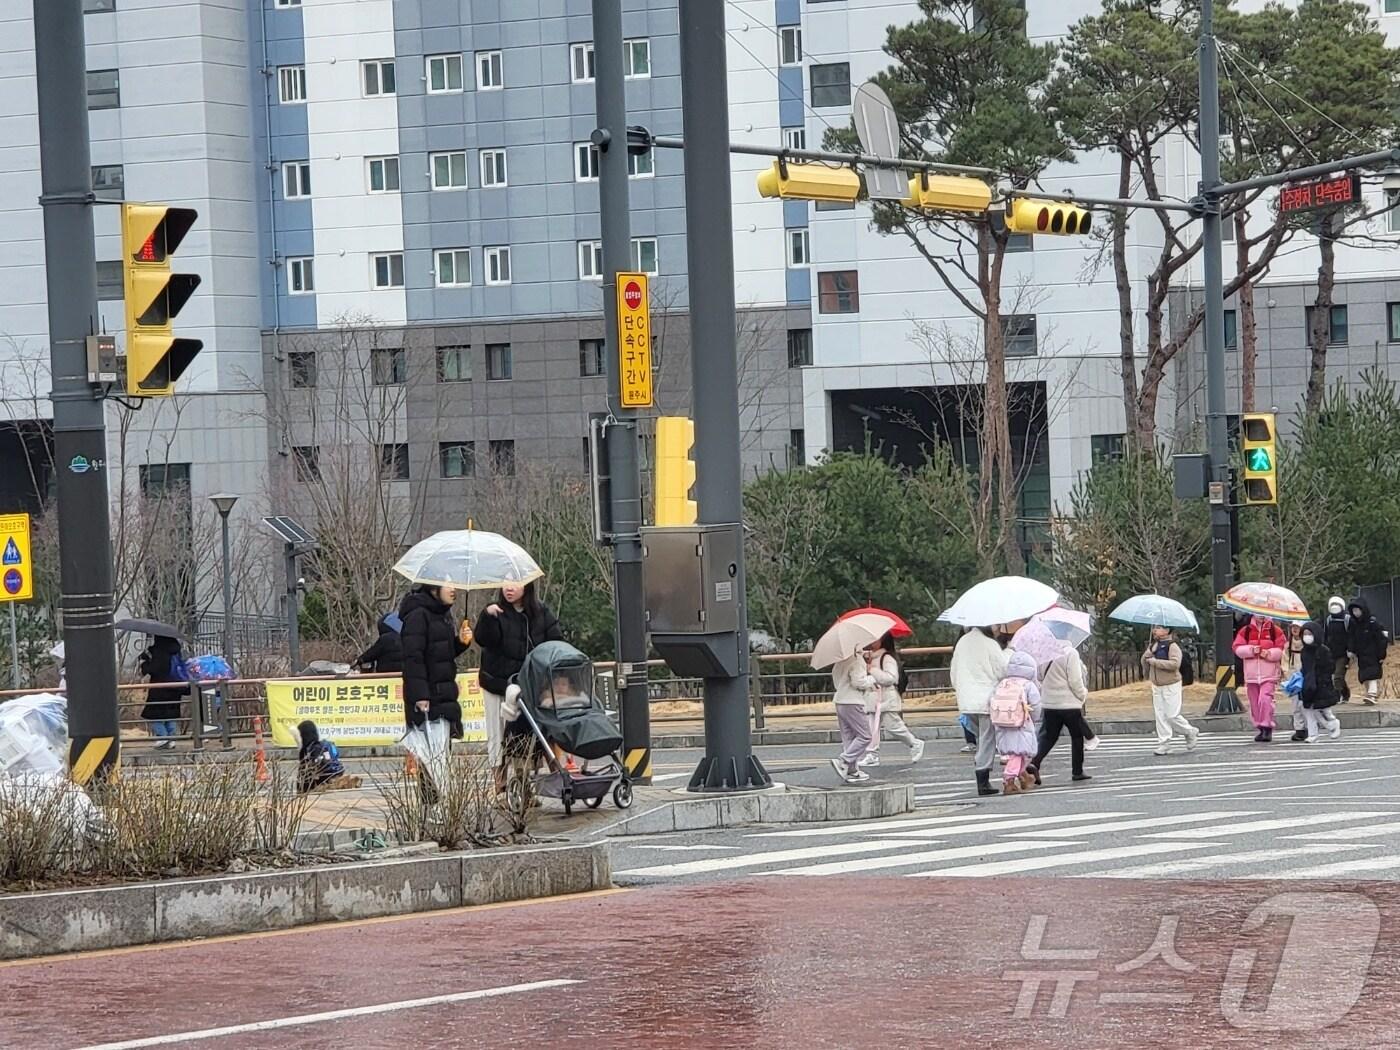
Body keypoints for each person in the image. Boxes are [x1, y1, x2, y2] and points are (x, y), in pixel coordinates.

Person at [474, 581, 564, 770]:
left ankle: (523, 786)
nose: (509, 588)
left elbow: (556, 643)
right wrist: (486, 617)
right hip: (497, 685)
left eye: (515, 583)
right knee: (498, 735)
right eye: (505, 582)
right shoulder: (495, 612)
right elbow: (483, 639)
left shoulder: (541, 613)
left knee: (526, 735)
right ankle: (500, 784)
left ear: (527, 586)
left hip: (528, 687)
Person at [399, 584, 468, 738]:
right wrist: (420, 695)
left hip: (444, 697)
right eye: (448, 585)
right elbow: (413, 658)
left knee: (441, 756)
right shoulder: (418, 616)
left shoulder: (442, 615)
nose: (453, 589)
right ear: (433, 588)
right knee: (429, 756)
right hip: (428, 699)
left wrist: (460, 643)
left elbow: (440, 655)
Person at [951, 625, 1011, 796]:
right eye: (997, 625)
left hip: (965, 700)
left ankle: (982, 773)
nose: (998, 628)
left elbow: (953, 673)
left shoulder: (962, 642)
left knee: (980, 737)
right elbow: (1002, 670)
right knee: (987, 739)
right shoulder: (989, 644)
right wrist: (1008, 652)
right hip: (985, 699)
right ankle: (982, 778)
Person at [1028, 644, 1095, 784]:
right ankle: (1077, 771)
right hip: (1069, 703)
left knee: (1048, 737)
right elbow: (1075, 680)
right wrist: (1082, 695)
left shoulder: (1044, 650)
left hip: (1050, 702)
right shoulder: (1071, 653)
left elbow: (1039, 675)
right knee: (1077, 736)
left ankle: (1035, 762)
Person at [859, 631, 925, 767]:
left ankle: (914, 743)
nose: (872, 641)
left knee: (894, 727)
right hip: (873, 698)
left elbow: (891, 678)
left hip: (886, 698)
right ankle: (872, 754)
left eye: (876, 638)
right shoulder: (870, 658)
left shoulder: (887, 658)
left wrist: (872, 670)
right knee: (872, 727)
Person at [989, 651, 1042, 794]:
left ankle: (1024, 776)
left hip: (1002, 723)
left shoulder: (1003, 683)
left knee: (1015, 753)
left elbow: (992, 700)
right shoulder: (1028, 685)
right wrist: (1034, 717)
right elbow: (1036, 705)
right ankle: (1009, 780)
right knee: (1020, 753)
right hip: (1021, 723)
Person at [1144, 625, 1199, 756]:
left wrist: (1155, 662)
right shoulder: (1154, 645)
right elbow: (1145, 662)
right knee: (1160, 715)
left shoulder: (1172, 646)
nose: (1154, 630)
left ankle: (1189, 731)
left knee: (1171, 714)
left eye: (1158, 628)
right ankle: (1164, 742)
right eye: (1155, 628)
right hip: (1157, 684)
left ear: (1167, 630)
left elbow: (1174, 664)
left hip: (1171, 683)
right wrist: (1146, 657)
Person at [829, 646, 878, 784]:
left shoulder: (841, 660)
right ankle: (844, 761)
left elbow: (837, 680)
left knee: (848, 737)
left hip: (840, 700)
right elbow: (859, 682)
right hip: (853, 701)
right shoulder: (857, 660)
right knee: (865, 736)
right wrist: (872, 679)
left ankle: (852, 770)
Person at [1234, 614, 1286, 742]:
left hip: (1269, 673)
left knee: (1265, 699)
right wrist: (1251, 650)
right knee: (1254, 702)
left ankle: (1267, 726)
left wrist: (1268, 653)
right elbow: (1237, 648)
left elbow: (1281, 649)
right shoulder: (1245, 631)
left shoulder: (1275, 631)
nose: (1261, 616)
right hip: (1251, 675)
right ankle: (1260, 726)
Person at [138, 633, 187, 750]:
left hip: (159, 688)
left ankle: (162, 737)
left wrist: (145, 663)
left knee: (156, 715)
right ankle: (171, 739)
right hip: (175, 687)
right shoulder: (176, 651)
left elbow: (154, 669)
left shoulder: (159, 652)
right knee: (171, 714)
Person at [1298, 621, 1343, 744]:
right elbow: (1304, 668)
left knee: (1324, 709)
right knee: (1308, 710)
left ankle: (1333, 724)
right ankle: (1313, 734)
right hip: (1308, 685)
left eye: (1309, 633)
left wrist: (1322, 681)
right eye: (1304, 634)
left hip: (1322, 684)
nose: (1306, 636)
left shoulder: (1323, 650)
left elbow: (1330, 668)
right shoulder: (1304, 652)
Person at [296, 720, 358, 792]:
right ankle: (339, 781)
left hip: (323, 776)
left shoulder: (310, 748)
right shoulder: (324, 744)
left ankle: (329, 784)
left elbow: (306, 771)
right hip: (337, 771)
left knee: (305, 782)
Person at [1347, 598, 1388, 705]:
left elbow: (1381, 639)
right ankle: (1369, 694)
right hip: (1361, 655)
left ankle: (1372, 694)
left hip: (1373, 654)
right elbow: (1351, 638)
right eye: (1354, 611)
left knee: (1372, 675)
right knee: (1364, 676)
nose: (1356, 613)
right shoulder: (1354, 624)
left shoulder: (1373, 623)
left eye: (1357, 610)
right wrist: (1351, 650)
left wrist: (1381, 654)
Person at [1324, 597, 1352, 703]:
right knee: (1336, 676)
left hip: (1344, 653)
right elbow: (1326, 636)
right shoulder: (1329, 620)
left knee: (1338, 676)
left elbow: (1351, 635)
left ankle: (1337, 696)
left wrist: (1350, 650)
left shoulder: (1347, 619)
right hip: (1331, 652)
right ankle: (1345, 693)